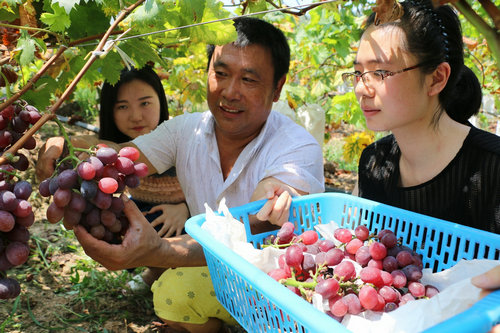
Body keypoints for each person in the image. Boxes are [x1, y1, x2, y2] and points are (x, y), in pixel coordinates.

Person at [36, 17, 324, 333]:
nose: (229, 92)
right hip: (218, 273)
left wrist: (161, 252)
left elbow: (255, 223)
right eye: (221, 74)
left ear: (277, 88)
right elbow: (122, 156)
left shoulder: (296, 146)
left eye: (249, 80)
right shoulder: (187, 130)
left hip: (282, 286)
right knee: (171, 294)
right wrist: (65, 145)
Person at [344, 0, 500, 328]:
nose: (362, 88)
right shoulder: (374, 164)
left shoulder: (493, 168)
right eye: (358, 73)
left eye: (380, 72)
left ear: (436, 79)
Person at [37, 66, 190, 286]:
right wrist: (68, 143)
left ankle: (175, 270)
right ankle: (156, 271)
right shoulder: (114, 154)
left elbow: (211, 186)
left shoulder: (179, 138)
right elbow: (110, 148)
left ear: (161, 100)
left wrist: (184, 208)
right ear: (110, 111)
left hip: (190, 216)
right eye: (122, 106)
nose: (135, 115)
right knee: (119, 218)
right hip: (147, 211)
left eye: (145, 103)